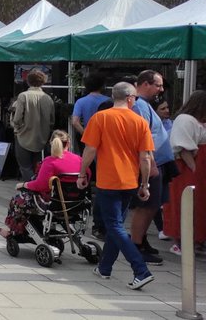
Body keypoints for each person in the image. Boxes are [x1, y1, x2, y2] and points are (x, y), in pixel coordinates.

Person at [78, 82, 156, 290]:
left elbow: (90, 150)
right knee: (117, 226)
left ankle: (141, 270)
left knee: (113, 225)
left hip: (108, 180)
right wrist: (145, 183)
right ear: (130, 98)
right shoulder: (140, 122)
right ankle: (105, 267)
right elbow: (146, 158)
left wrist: (81, 173)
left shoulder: (100, 118)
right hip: (130, 181)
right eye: (136, 99)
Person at [128, 70, 174, 265]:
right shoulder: (139, 106)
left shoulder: (145, 105)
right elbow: (143, 138)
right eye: (158, 85)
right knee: (145, 207)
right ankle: (136, 246)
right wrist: (150, 164)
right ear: (145, 84)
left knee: (153, 206)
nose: (161, 90)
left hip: (159, 162)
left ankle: (140, 240)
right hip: (152, 163)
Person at [0, 131, 82, 239]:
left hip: (53, 204)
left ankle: (15, 232)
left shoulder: (50, 161)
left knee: (18, 200)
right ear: (69, 143)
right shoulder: (79, 160)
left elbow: (40, 185)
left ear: (51, 143)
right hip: (76, 204)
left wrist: (24, 185)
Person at [164, 90, 206, 255]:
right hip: (189, 168)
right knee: (185, 203)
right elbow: (183, 148)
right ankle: (181, 241)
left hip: (198, 167)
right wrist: (194, 169)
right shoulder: (185, 120)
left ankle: (197, 239)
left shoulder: (197, 121)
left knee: (199, 205)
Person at [11, 69, 55, 181]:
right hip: (42, 138)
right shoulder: (48, 98)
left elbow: (17, 118)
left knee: (25, 166)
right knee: (38, 167)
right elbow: (52, 120)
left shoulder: (23, 96)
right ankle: (37, 189)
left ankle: (31, 190)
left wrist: (17, 128)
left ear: (28, 81)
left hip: (24, 136)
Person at [72, 73, 111, 143]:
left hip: (89, 139)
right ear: (102, 85)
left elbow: (75, 122)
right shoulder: (109, 101)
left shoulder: (80, 102)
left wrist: (85, 135)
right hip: (106, 138)